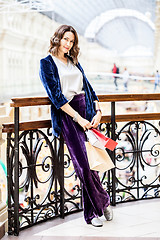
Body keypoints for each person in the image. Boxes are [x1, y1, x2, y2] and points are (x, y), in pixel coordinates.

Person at [39, 25, 113, 227]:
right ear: (57, 38)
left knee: (92, 162)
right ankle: (98, 207)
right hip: (69, 115)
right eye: (65, 39)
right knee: (83, 165)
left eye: (71, 41)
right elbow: (56, 97)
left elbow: (88, 88)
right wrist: (78, 118)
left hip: (87, 111)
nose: (68, 44)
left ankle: (98, 206)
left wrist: (98, 111)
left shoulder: (74, 62)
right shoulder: (46, 63)